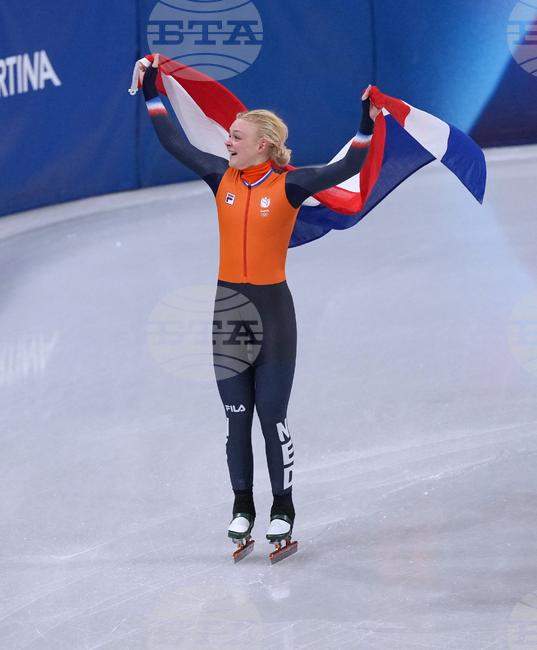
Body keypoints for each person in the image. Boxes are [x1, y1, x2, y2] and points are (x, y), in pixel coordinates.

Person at [139, 54, 381, 552]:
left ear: (263, 146)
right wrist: (150, 90)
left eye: (235, 137)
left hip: (273, 314)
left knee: (272, 417)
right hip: (229, 314)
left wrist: (366, 121)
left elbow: (350, 165)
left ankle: (284, 510)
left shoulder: (290, 184)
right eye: (228, 135)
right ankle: (242, 506)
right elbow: (170, 140)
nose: (226, 141)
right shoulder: (219, 177)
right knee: (236, 419)